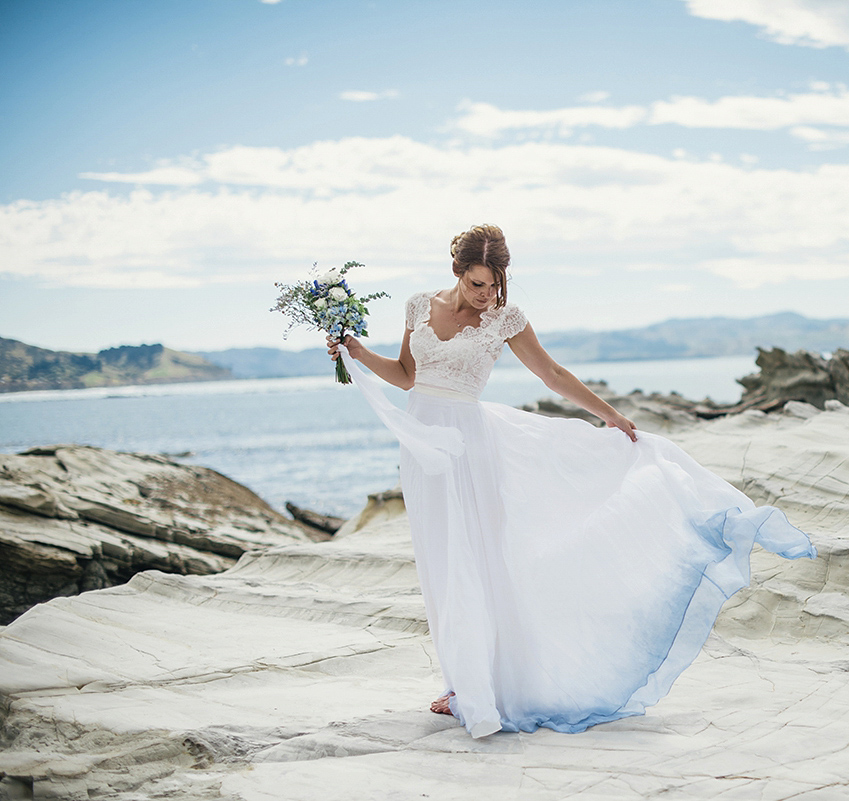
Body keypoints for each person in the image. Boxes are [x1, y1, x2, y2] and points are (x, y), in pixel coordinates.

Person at [328, 224, 816, 738]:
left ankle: (487, 686)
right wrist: (358, 353)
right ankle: (461, 682)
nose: (486, 295)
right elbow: (407, 375)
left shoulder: (505, 319)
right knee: (440, 563)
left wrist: (611, 416)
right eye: (477, 285)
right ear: (457, 273)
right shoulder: (416, 307)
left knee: (480, 561)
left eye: (494, 285)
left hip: (472, 448)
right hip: (422, 448)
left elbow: (552, 375)